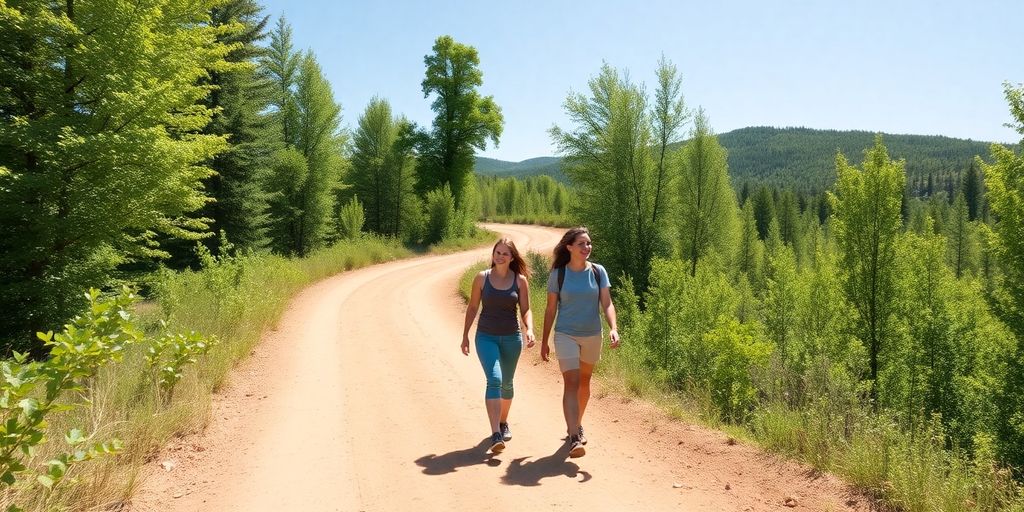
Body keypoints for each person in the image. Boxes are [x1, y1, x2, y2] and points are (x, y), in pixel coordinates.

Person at [541, 227, 620, 458]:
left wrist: (613, 328)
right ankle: (574, 437)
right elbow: (550, 308)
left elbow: (607, 303)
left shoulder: (598, 271)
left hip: (592, 334)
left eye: (589, 244)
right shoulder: (558, 274)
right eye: (582, 244)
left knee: (585, 384)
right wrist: (545, 341)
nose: (587, 248)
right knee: (572, 383)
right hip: (565, 334)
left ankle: (576, 424)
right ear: (569, 247)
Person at [462, 238, 536, 454]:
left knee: (508, 384)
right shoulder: (481, 278)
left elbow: (526, 309)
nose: (500, 256)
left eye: (505, 253)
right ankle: (495, 433)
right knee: (494, 379)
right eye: (497, 252)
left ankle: (503, 423)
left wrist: (529, 329)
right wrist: (465, 334)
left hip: (512, 338)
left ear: (512, 257)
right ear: (493, 254)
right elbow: (473, 306)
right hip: (486, 337)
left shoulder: (520, 281)